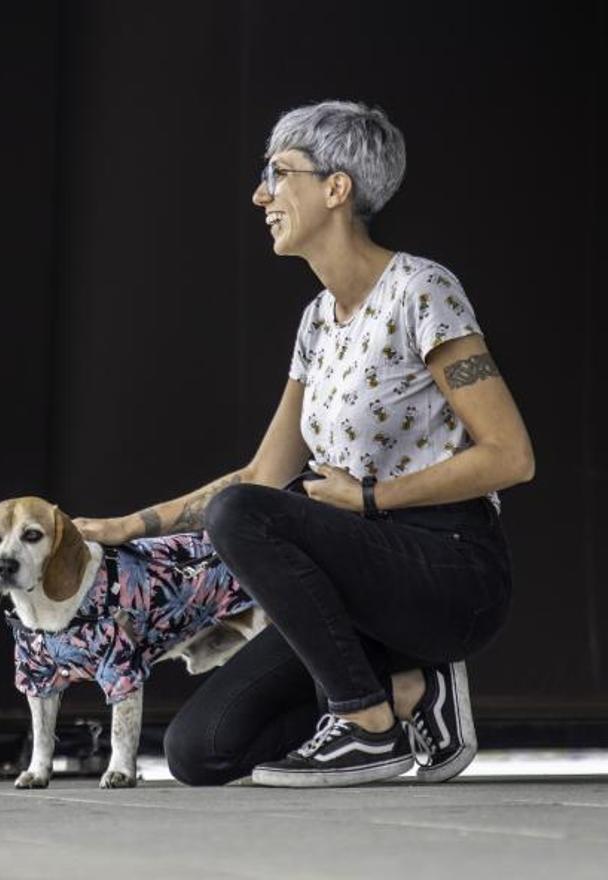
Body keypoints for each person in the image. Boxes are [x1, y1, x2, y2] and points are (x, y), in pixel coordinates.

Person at [74, 100, 533, 787]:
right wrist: (127, 528)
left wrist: (371, 497)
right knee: (200, 751)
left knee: (245, 513)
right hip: (358, 583)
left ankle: (368, 726)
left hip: (449, 573)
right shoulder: (317, 321)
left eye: (278, 173)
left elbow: (510, 456)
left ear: (336, 187)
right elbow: (262, 472)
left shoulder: (422, 290)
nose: (262, 194)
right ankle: (410, 693)